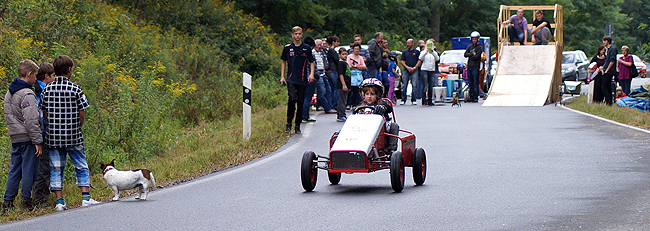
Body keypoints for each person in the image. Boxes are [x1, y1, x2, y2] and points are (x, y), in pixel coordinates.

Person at [41, 55, 100, 211]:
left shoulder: (47, 89)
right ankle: (85, 198)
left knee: (56, 168)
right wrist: (78, 126)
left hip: (53, 136)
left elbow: (44, 113)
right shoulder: (75, 88)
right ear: (69, 70)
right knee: (81, 165)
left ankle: (60, 201)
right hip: (73, 135)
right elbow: (82, 112)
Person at [2, 60, 42, 211]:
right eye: (35, 75)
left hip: (15, 136)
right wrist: (37, 140)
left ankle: (7, 202)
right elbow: (31, 120)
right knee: (28, 170)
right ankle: (26, 201)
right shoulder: (27, 94)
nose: (36, 79)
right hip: (27, 138)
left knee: (14, 170)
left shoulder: (9, 92)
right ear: (29, 74)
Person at [280, 26, 316, 134]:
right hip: (291, 78)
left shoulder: (306, 48)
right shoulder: (287, 48)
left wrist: (311, 75)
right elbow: (283, 62)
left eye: (299, 34)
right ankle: (288, 123)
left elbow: (311, 62)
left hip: (302, 79)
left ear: (301, 35)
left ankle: (297, 126)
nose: (297, 36)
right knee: (292, 99)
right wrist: (282, 76)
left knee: (300, 102)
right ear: (292, 35)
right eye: (296, 34)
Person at [32, 62, 56, 205]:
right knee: (44, 166)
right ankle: (40, 198)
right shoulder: (42, 91)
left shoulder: (35, 89)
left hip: (36, 132)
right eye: (53, 76)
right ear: (46, 76)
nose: (54, 78)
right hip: (42, 133)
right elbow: (41, 114)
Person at [355, 78, 399, 153]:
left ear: (378, 95)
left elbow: (389, 108)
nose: (369, 96)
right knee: (339, 133)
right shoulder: (360, 108)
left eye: (372, 94)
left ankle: (391, 150)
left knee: (394, 126)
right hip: (362, 131)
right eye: (367, 94)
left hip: (379, 132)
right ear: (363, 95)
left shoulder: (381, 104)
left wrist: (383, 108)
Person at [400, 39, 421, 105]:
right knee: (404, 85)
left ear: (412, 43)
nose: (407, 44)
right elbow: (402, 61)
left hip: (414, 69)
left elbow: (419, 60)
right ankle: (403, 99)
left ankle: (413, 99)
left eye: (409, 43)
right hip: (406, 69)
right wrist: (407, 67)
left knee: (414, 85)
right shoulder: (405, 52)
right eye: (407, 43)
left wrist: (414, 68)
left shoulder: (417, 52)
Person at [418, 39, 440, 106]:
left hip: (432, 70)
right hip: (424, 70)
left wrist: (432, 51)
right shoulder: (423, 52)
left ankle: (430, 100)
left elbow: (437, 59)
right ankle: (424, 100)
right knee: (425, 86)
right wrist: (426, 51)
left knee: (431, 86)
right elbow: (420, 58)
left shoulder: (434, 52)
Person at [464, 31, 483, 102]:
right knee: (470, 82)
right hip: (469, 66)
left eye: (475, 39)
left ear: (478, 39)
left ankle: (475, 96)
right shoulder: (470, 47)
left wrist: (470, 55)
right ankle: (471, 96)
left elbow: (477, 56)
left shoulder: (479, 47)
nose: (474, 40)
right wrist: (472, 54)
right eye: (473, 39)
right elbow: (465, 54)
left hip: (475, 67)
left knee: (475, 82)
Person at [347, 43, 366, 107]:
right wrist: (358, 67)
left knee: (357, 90)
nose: (357, 50)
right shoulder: (349, 57)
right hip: (352, 75)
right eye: (355, 49)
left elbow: (363, 67)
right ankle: (348, 103)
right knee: (350, 90)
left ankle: (355, 104)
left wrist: (355, 66)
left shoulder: (360, 58)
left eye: (358, 49)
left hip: (358, 76)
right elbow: (349, 66)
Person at [336, 48, 352, 122]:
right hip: (342, 84)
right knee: (342, 100)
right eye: (343, 54)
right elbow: (341, 74)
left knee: (345, 99)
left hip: (347, 83)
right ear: (339, 55)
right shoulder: (340, 63)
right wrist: (344, 84)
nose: (345, 56)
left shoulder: (345, 63)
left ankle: (343, 113)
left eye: (346, 54)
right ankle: (341, 114)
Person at [326, 36, 341, 111]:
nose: (338, 43)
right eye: (337, 42)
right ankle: (335, 105)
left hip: (330, 71)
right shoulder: (332, 51)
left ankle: (331, 105)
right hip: (333, 71)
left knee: (332, 88)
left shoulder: (329, 51)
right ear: (333, 42)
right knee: (335, 88)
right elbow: (337, 60)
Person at [602, 36, 617, 105]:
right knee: (607, 87)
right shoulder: (608, 49)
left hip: (609, 71)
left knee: (604, 87)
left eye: (604, 41)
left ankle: (608, 101)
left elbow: (612, 61)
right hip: (606, 69)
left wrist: (607, 70)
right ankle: (609, 102)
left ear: (608, 41)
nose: (603, 42)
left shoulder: (612, 49)